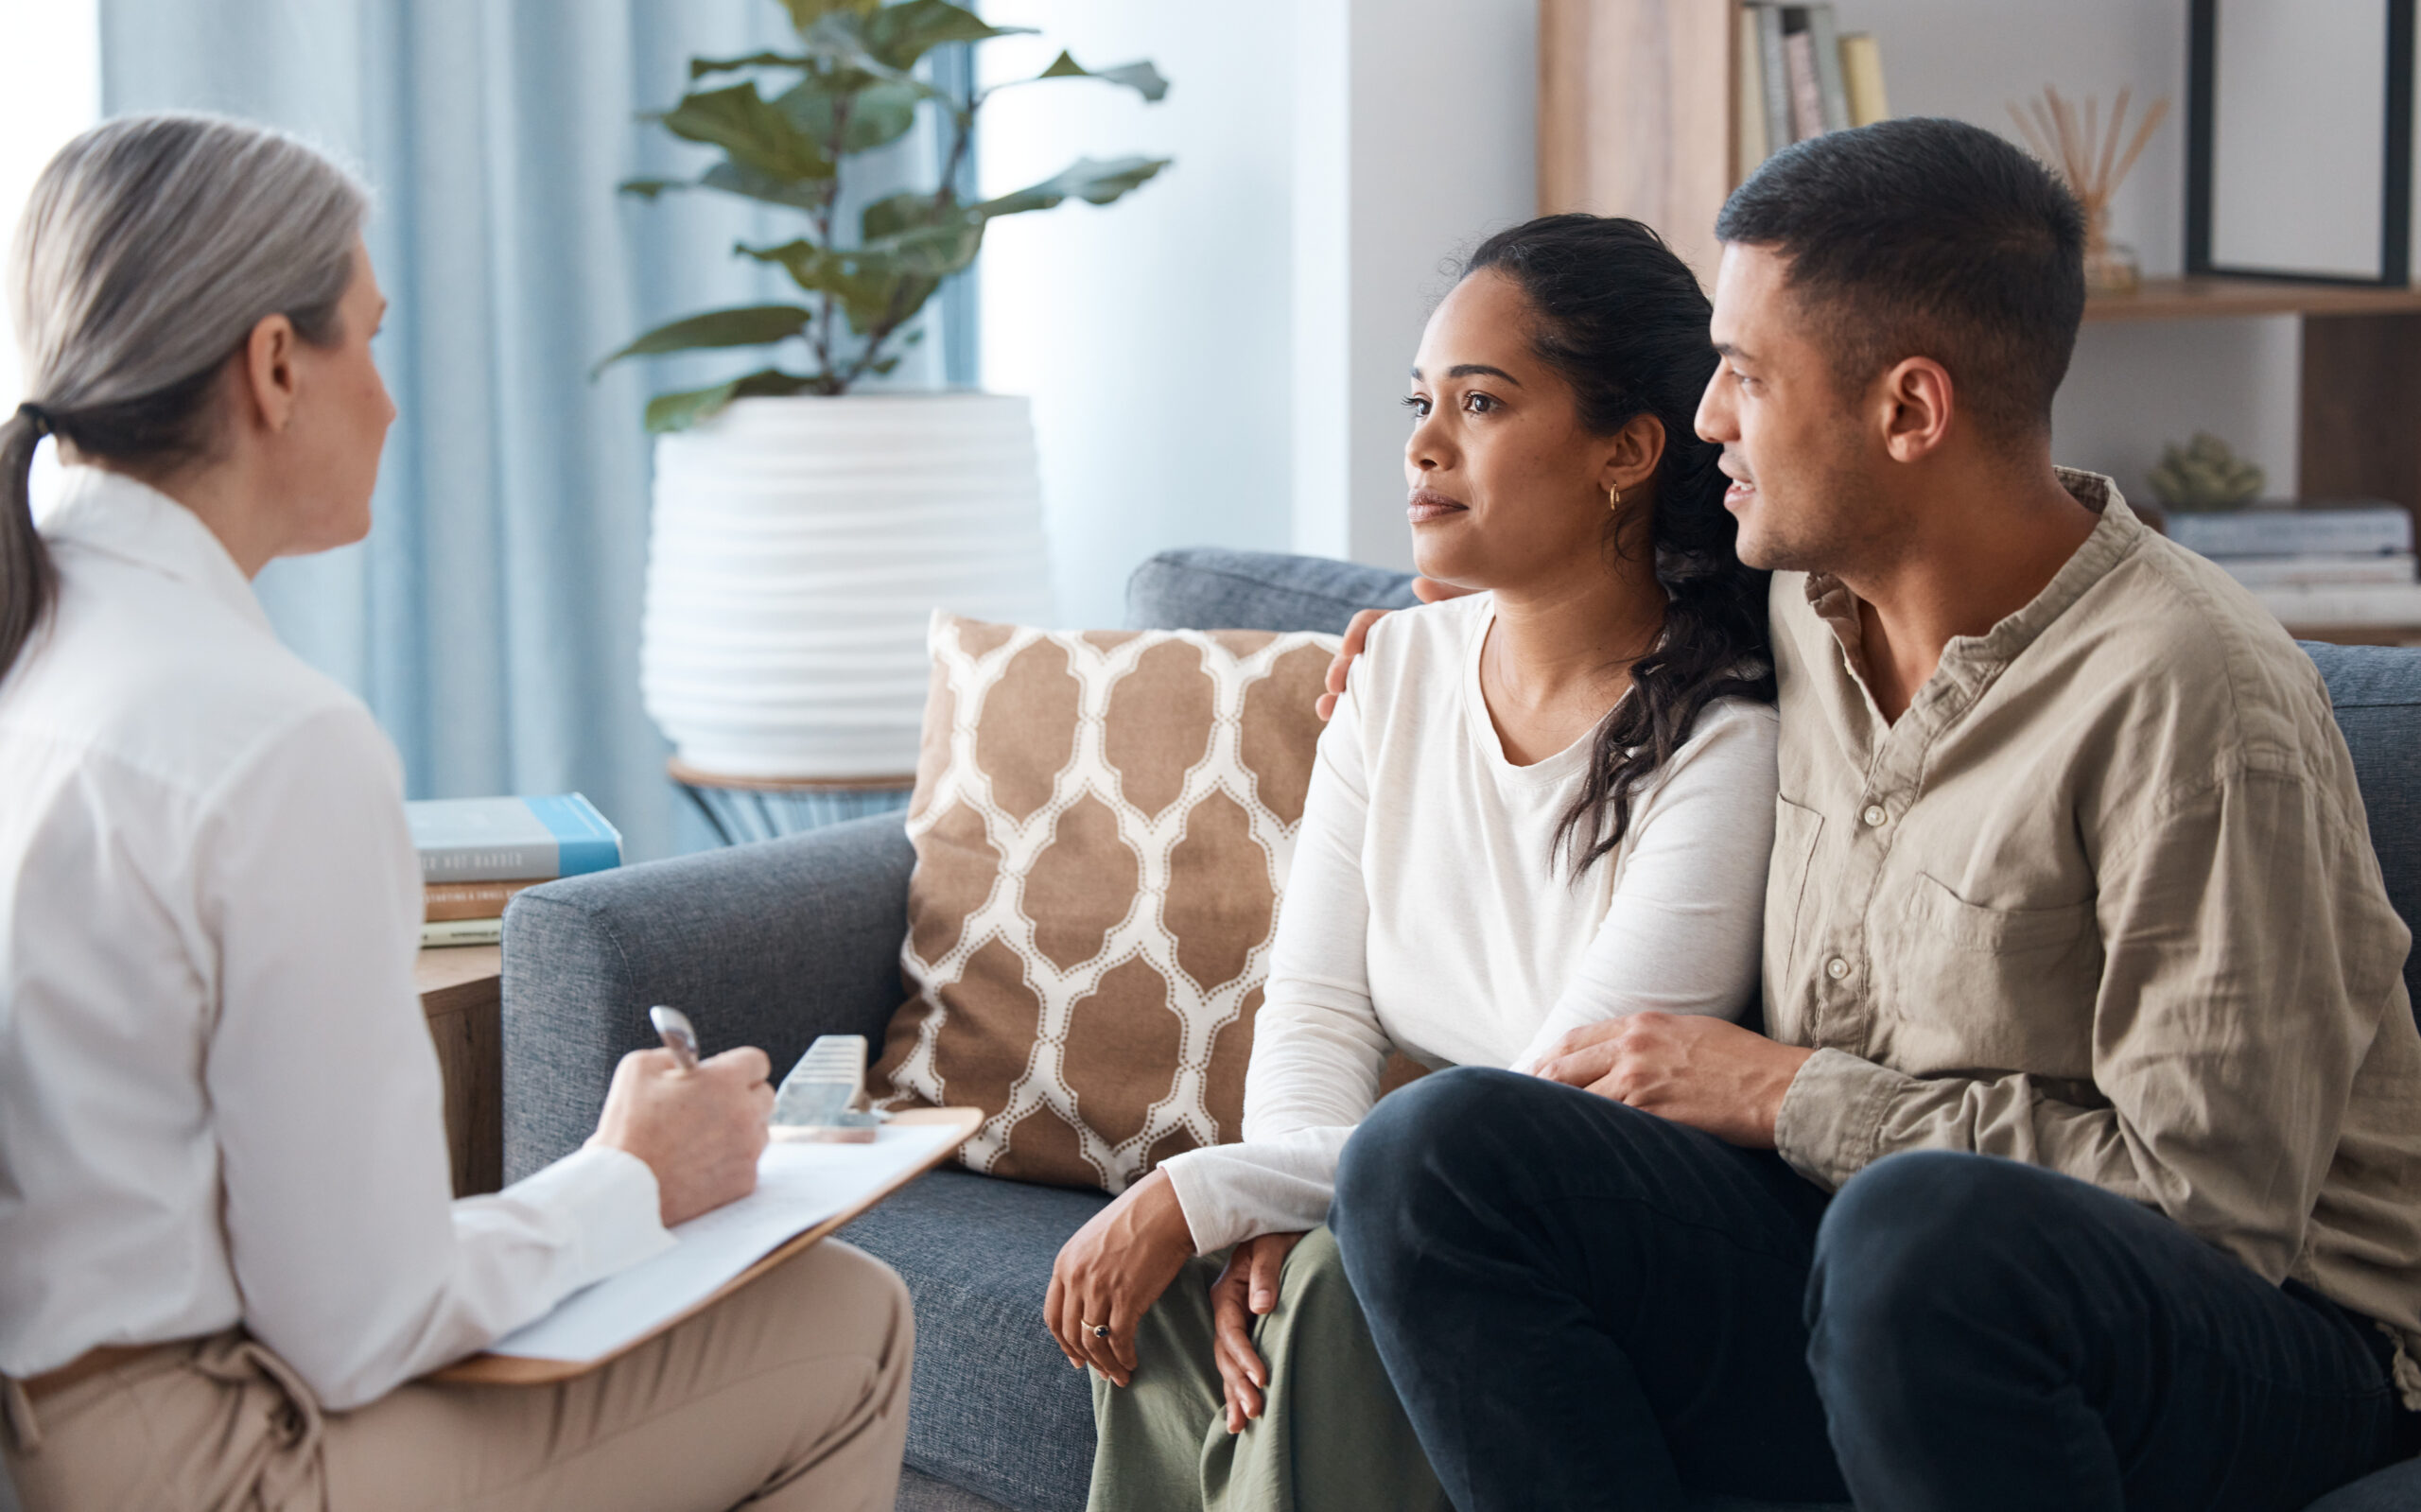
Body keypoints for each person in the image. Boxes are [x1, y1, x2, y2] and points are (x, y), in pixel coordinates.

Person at [1324, 117, 2421, 1510]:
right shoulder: (1794, 589)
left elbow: (2216, 1209)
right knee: (1439, 1156)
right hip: (1868, 1272)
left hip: (2269, 1339)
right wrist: (1409, 641)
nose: (1710, 419)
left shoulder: (2195, 701)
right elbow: (1566, 549)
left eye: (1745, 376)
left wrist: (1792, 1093)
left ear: (1910, 411)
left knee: (1919, 1237)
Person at [0, 114, 912, 1511]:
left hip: (54, 1431)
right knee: (848, 1320)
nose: (392, 396)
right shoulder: (272, 738)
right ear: (275, 365)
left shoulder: (41, 655)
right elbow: (356, 1329)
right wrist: (631, 1177)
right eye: (369, 338)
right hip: (192, 1466)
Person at [1045, 215, 1782, 1512]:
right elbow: (1320, 1007)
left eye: (1482, 402)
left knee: (1326, 1285)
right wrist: (1251, 1214)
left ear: (1627, 450)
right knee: (1203, 1289)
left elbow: (1545, 1113)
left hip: (1584, 1234)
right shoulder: (1391, 672)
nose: (1423, 443)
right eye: (1420, 400)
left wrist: (1208, 1190)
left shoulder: (1726, 738)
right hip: (1408, 1185)